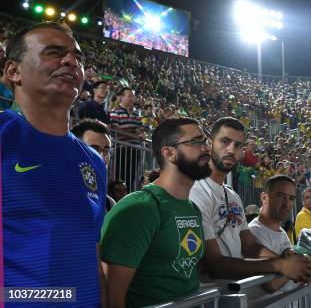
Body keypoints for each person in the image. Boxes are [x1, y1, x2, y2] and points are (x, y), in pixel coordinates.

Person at [1, 22, 106, 306]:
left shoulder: (93, 162)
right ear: (14, 71)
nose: (71, 61)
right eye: (53, 52)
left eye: (77, 57)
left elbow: (92, 252)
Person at [189, 117, 311, 283]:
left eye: (237, 145)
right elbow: (215, 265)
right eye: (225, 141)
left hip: (233, 295)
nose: (231, 149)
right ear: (210, 143)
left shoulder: (234, 197)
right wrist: (280, 265)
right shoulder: (196, 191)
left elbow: (250, 247)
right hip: (208, 297)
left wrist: (290, 260)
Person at [101, 117, 211, 307]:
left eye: (205, 141)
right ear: (169, 153)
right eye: (196, 142)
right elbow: (112, 298)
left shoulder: (192, 209)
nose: (206, 148)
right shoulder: (138, 210)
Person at [248, 175, 299, 297]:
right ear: (264, 197)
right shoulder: (254, 232)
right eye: (281, 196)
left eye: (291, 198)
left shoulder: (280, 231)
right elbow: (271, 285)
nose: (287, 204)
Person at [71, 118, 117, 211]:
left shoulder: (109, 204)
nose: (102, 157)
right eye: (93, 150)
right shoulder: (53, 195)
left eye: (106, 151)